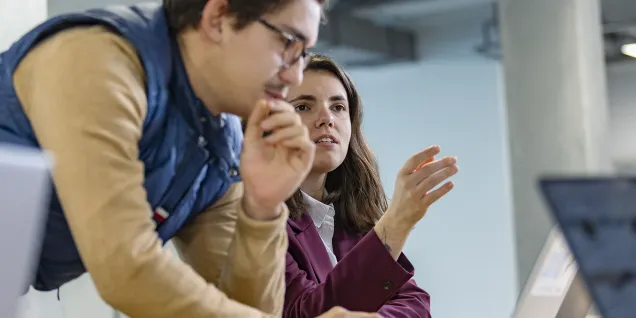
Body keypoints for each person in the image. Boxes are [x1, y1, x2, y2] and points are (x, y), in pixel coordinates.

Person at [0, 0, 378, 317]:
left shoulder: (219, 140)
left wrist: (261, 208)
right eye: (288, 43)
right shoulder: (97, 61)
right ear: (217, 18)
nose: (295, 74)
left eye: (304, 52)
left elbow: (245, 305)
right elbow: (127, 269)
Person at [282, 54, 459, 317]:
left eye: (338, 107)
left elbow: (415, 303)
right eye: (303, 107)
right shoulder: (258, 220)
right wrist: (396, 222)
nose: (327, 118)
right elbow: (304, 313)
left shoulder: (350, 219)